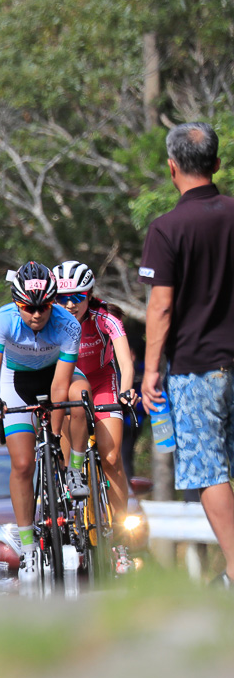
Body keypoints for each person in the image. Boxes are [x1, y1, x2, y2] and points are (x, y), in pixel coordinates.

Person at [139, 122, 234, 587]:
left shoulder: (167, 228)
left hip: (196, 368)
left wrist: (150, 370)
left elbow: (160, 305)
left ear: (171, 167)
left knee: (210, 468)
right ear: (217, 165)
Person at [0, 262, 81, 583]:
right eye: (29, 307)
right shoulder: (1, 320)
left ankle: (71, 473)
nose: (37, 314)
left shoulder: (68, 326)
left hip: (54, 377)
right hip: (16, 380)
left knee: (65, 420)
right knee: (23, 463)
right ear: (16, 302)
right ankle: (27, 548)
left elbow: (60, 385)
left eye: (44, 307)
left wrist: (53, 433)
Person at [52, 260, 140, 572]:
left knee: (113, 457)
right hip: (66, 384)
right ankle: (68, 514)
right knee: (61, 454)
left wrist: (127, 390)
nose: (69, 304)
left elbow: (125, 362)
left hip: (102, 382)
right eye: (62, 298)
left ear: (89, 295)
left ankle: (120, 540)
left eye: (77, 297)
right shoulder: (49, 321)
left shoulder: (105, 318)